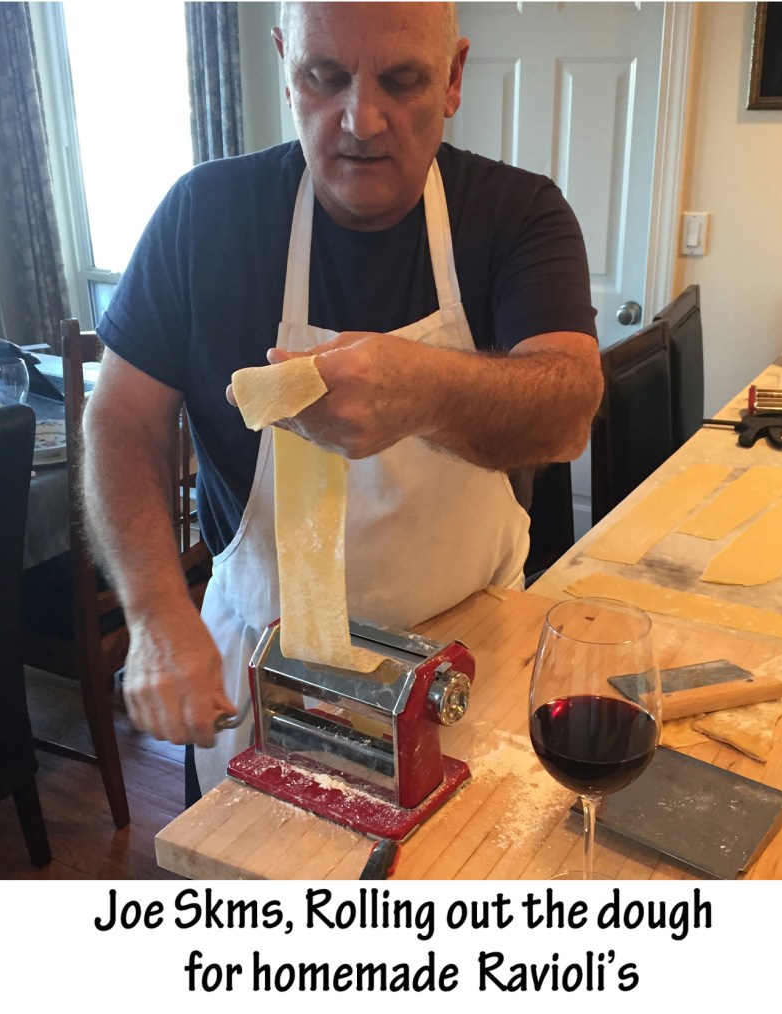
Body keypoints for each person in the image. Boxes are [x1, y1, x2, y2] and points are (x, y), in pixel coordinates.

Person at [82, 1, 603, 801]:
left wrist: (424, 391)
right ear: (284, 63)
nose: (361, 121)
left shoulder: (517, 214)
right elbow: (120, 418)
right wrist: (153, 609)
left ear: (454, 77)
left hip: (467, 663)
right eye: (324, 77)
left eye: (402, 80)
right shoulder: (204, 216)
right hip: (264, 667)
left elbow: (567, 407)